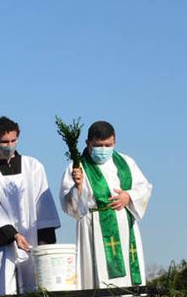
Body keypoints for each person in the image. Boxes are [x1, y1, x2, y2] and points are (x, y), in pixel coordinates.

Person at [0, 116, 61, 296]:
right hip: (1, 242)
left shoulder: (33, 166)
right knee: (2, 291)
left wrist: (46, 243)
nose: (9, 145)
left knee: (35, 290)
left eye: (13, 140)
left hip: (32, 238)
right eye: (4, 142)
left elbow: (43, 204)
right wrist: (13, 234)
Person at [60, 121, 153, 288]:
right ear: (88, 143)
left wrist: (129, 196)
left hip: (124, 224)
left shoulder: (125, 162)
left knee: (127, 273)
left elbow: (144, 187)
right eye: (98, 145)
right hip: (93, 224)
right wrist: (78, 186)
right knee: (96, 273)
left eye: (108, 145)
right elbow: (70, 207)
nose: (103, 149)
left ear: (114, 142)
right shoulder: (77, 167)